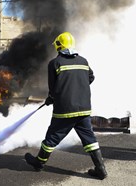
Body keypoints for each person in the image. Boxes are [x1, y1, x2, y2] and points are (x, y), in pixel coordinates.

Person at [25, 32, 107, 180]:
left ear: (58, 45)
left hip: (65, 111)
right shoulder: (83, 61)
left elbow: (54, 88)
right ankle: (101, 169)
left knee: (51, 138)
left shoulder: (55, 63)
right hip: (84, 109)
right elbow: (91, 77)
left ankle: (39, 163)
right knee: (89, 139)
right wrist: (77, 88)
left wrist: (51, 98)